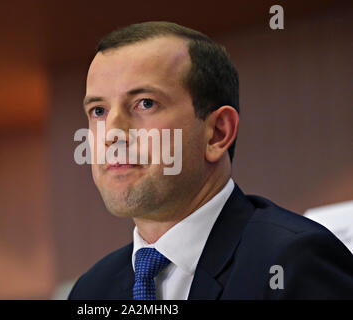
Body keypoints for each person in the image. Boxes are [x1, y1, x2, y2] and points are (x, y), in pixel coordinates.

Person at [68, 21, 353, 299]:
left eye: (145, 103)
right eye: (98, 111)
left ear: (217, 133)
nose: (112, 134)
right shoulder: (91, 289)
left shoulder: (293, 264)